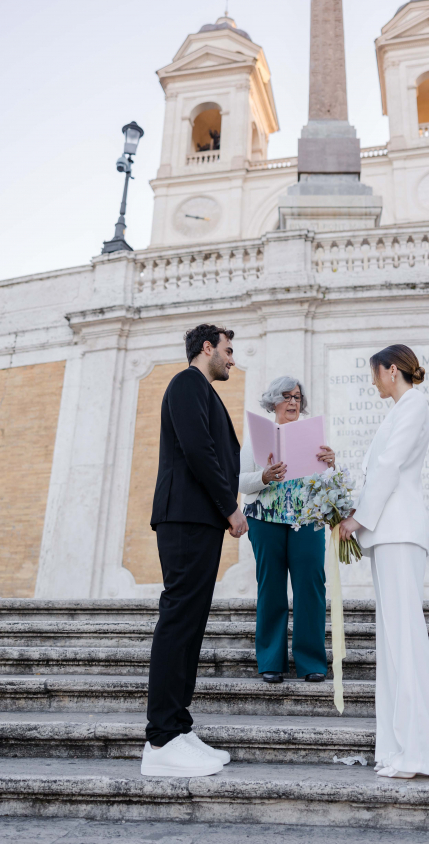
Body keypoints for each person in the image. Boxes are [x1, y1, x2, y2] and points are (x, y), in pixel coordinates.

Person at [141, 324, 248, 778]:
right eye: (228, 350)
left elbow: (217, 455)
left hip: (198, 519)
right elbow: (199, 450)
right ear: (207, 348)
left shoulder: (203, 390)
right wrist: (231, 508)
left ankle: (179, 728)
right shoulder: (187, 383)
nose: (232, 359)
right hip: (185, 517)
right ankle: (161, 739)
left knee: (192, 623)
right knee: (179, 619)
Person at [339, 345, 429, 781]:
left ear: (391, 370)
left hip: (399, 531)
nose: (373, 381)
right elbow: (377, 468)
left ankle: (418, 753)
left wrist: (358, 519)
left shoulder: (413, 405)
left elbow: (389, 465)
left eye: (375, 373)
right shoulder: (399, 409)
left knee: (405, 640)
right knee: (392, 643)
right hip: (388, 533)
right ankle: (397, 747)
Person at [239, 376, 335, 684]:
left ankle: (311, 662)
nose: (293, 402)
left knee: (311, 586)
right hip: (264, 520)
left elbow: (328, 483)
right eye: (286, 396)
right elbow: (239, 482)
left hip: (306, 520)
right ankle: (271, 661)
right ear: (273, 401)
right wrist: (264, 476)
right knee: (271, 587)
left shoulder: (312, 437)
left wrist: (331, 463)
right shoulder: (256, 438)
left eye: (297, 397)